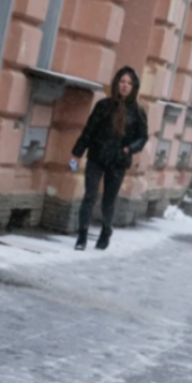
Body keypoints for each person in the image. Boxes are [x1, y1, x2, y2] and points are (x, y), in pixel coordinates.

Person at [71, 66, 148, 251]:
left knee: (108, 200)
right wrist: (76, 153)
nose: (125, 86)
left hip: (118, 161)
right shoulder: (103, 106)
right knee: (89, 195)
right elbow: (89, 130)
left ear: (134, 87)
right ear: (116, 84)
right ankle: (82, 236)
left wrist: (129, 148)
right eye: (122, 82)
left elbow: (143, 137)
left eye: (129, 83)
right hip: (97, 156)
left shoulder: (138, 112)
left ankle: (106, 232)